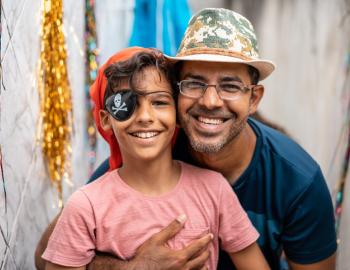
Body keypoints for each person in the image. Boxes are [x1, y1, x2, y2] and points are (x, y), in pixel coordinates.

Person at [35, 8, 337, 270]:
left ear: (254, 98)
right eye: (194, 83)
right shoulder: (150, 153)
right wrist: (134, 266)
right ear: (177, 91)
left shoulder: (298, 181)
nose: (209, 101)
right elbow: (46, 257)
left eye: (230, 86)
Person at [42, 47, 270, 270]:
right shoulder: (86, 207)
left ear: (178, 113)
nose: (145, 117)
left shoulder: (214, 190)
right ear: (105, 119)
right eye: (127, 105)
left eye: (159, 102)